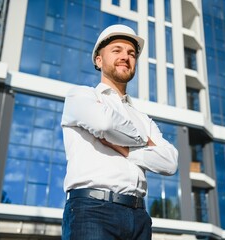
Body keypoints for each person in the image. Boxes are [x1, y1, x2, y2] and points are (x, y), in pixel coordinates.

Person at [61, 24, 178, 240]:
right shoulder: (81, 96)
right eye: (117, 50)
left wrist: (126, 150)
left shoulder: (143, 118)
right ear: (98, 60)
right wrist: (145, 143)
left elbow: (170, 162)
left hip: (139, 217)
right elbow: (105, 124)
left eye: (131, 53)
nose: (125, 56)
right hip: (92, 210)